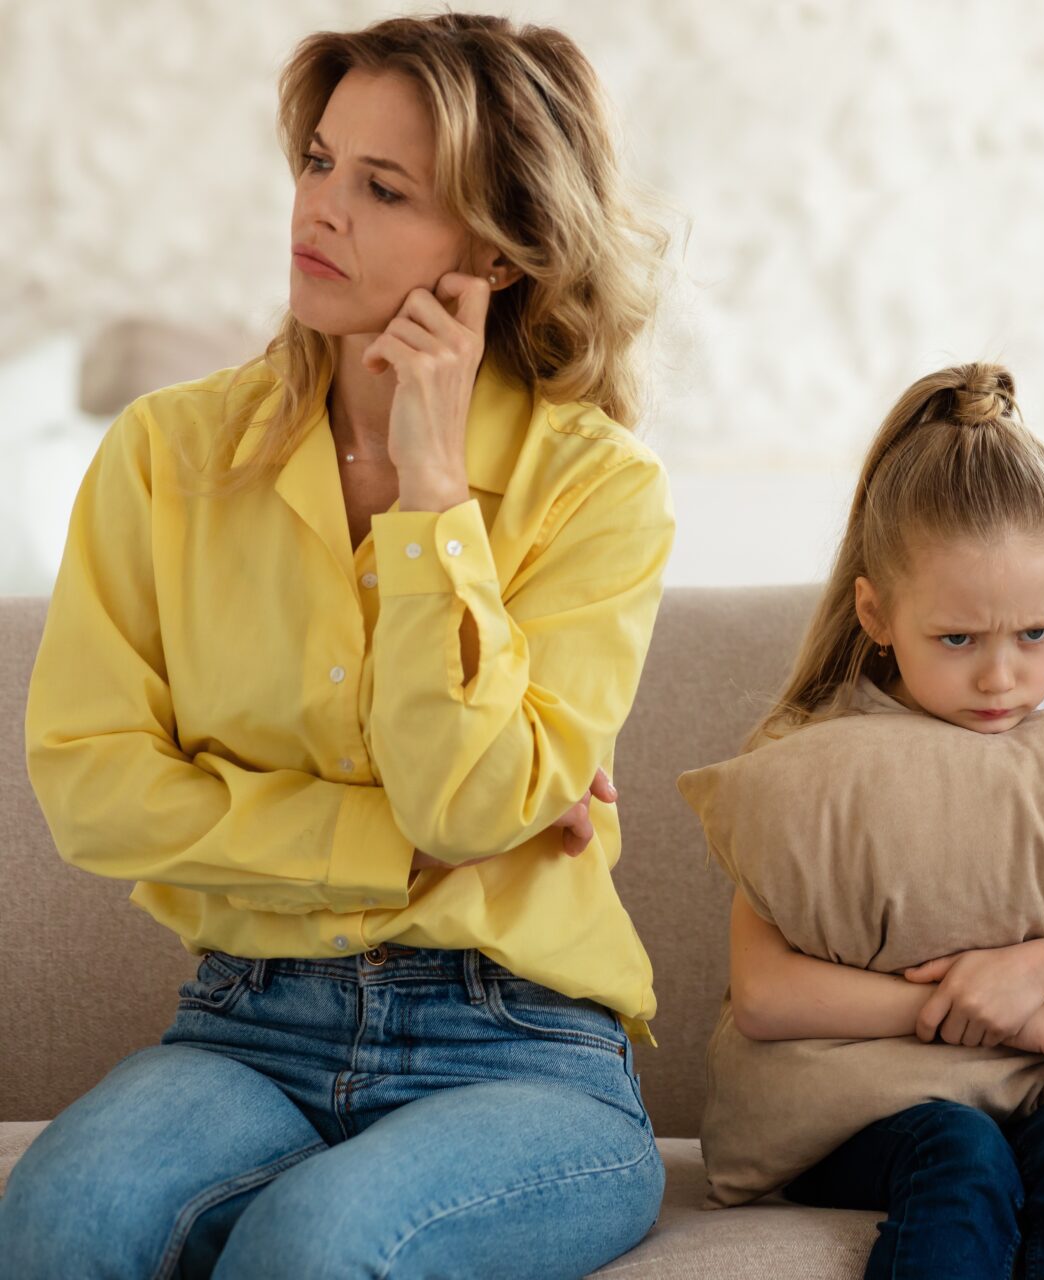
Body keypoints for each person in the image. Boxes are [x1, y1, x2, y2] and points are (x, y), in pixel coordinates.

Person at [0, 15, 676, 1277]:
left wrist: (434, 497)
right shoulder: (164, 453)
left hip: (517, 1041)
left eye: (383, 188)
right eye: (319, 162)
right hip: (248, 1021)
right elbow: (94, 786)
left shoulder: (599, 489)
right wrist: (385, 846)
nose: (320, 211)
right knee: (55, 1223)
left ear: (494, 246)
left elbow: (464, 799)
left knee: (314, 1246)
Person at [732, 363, 1044, 1278]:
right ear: (876, 613)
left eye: (1036, 635)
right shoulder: (817, 751)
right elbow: (764, 993)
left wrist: (1038, 970)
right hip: (880, 1116)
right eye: (958, 639)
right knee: (962, 1155)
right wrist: (995, 1015)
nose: (1002, 678)